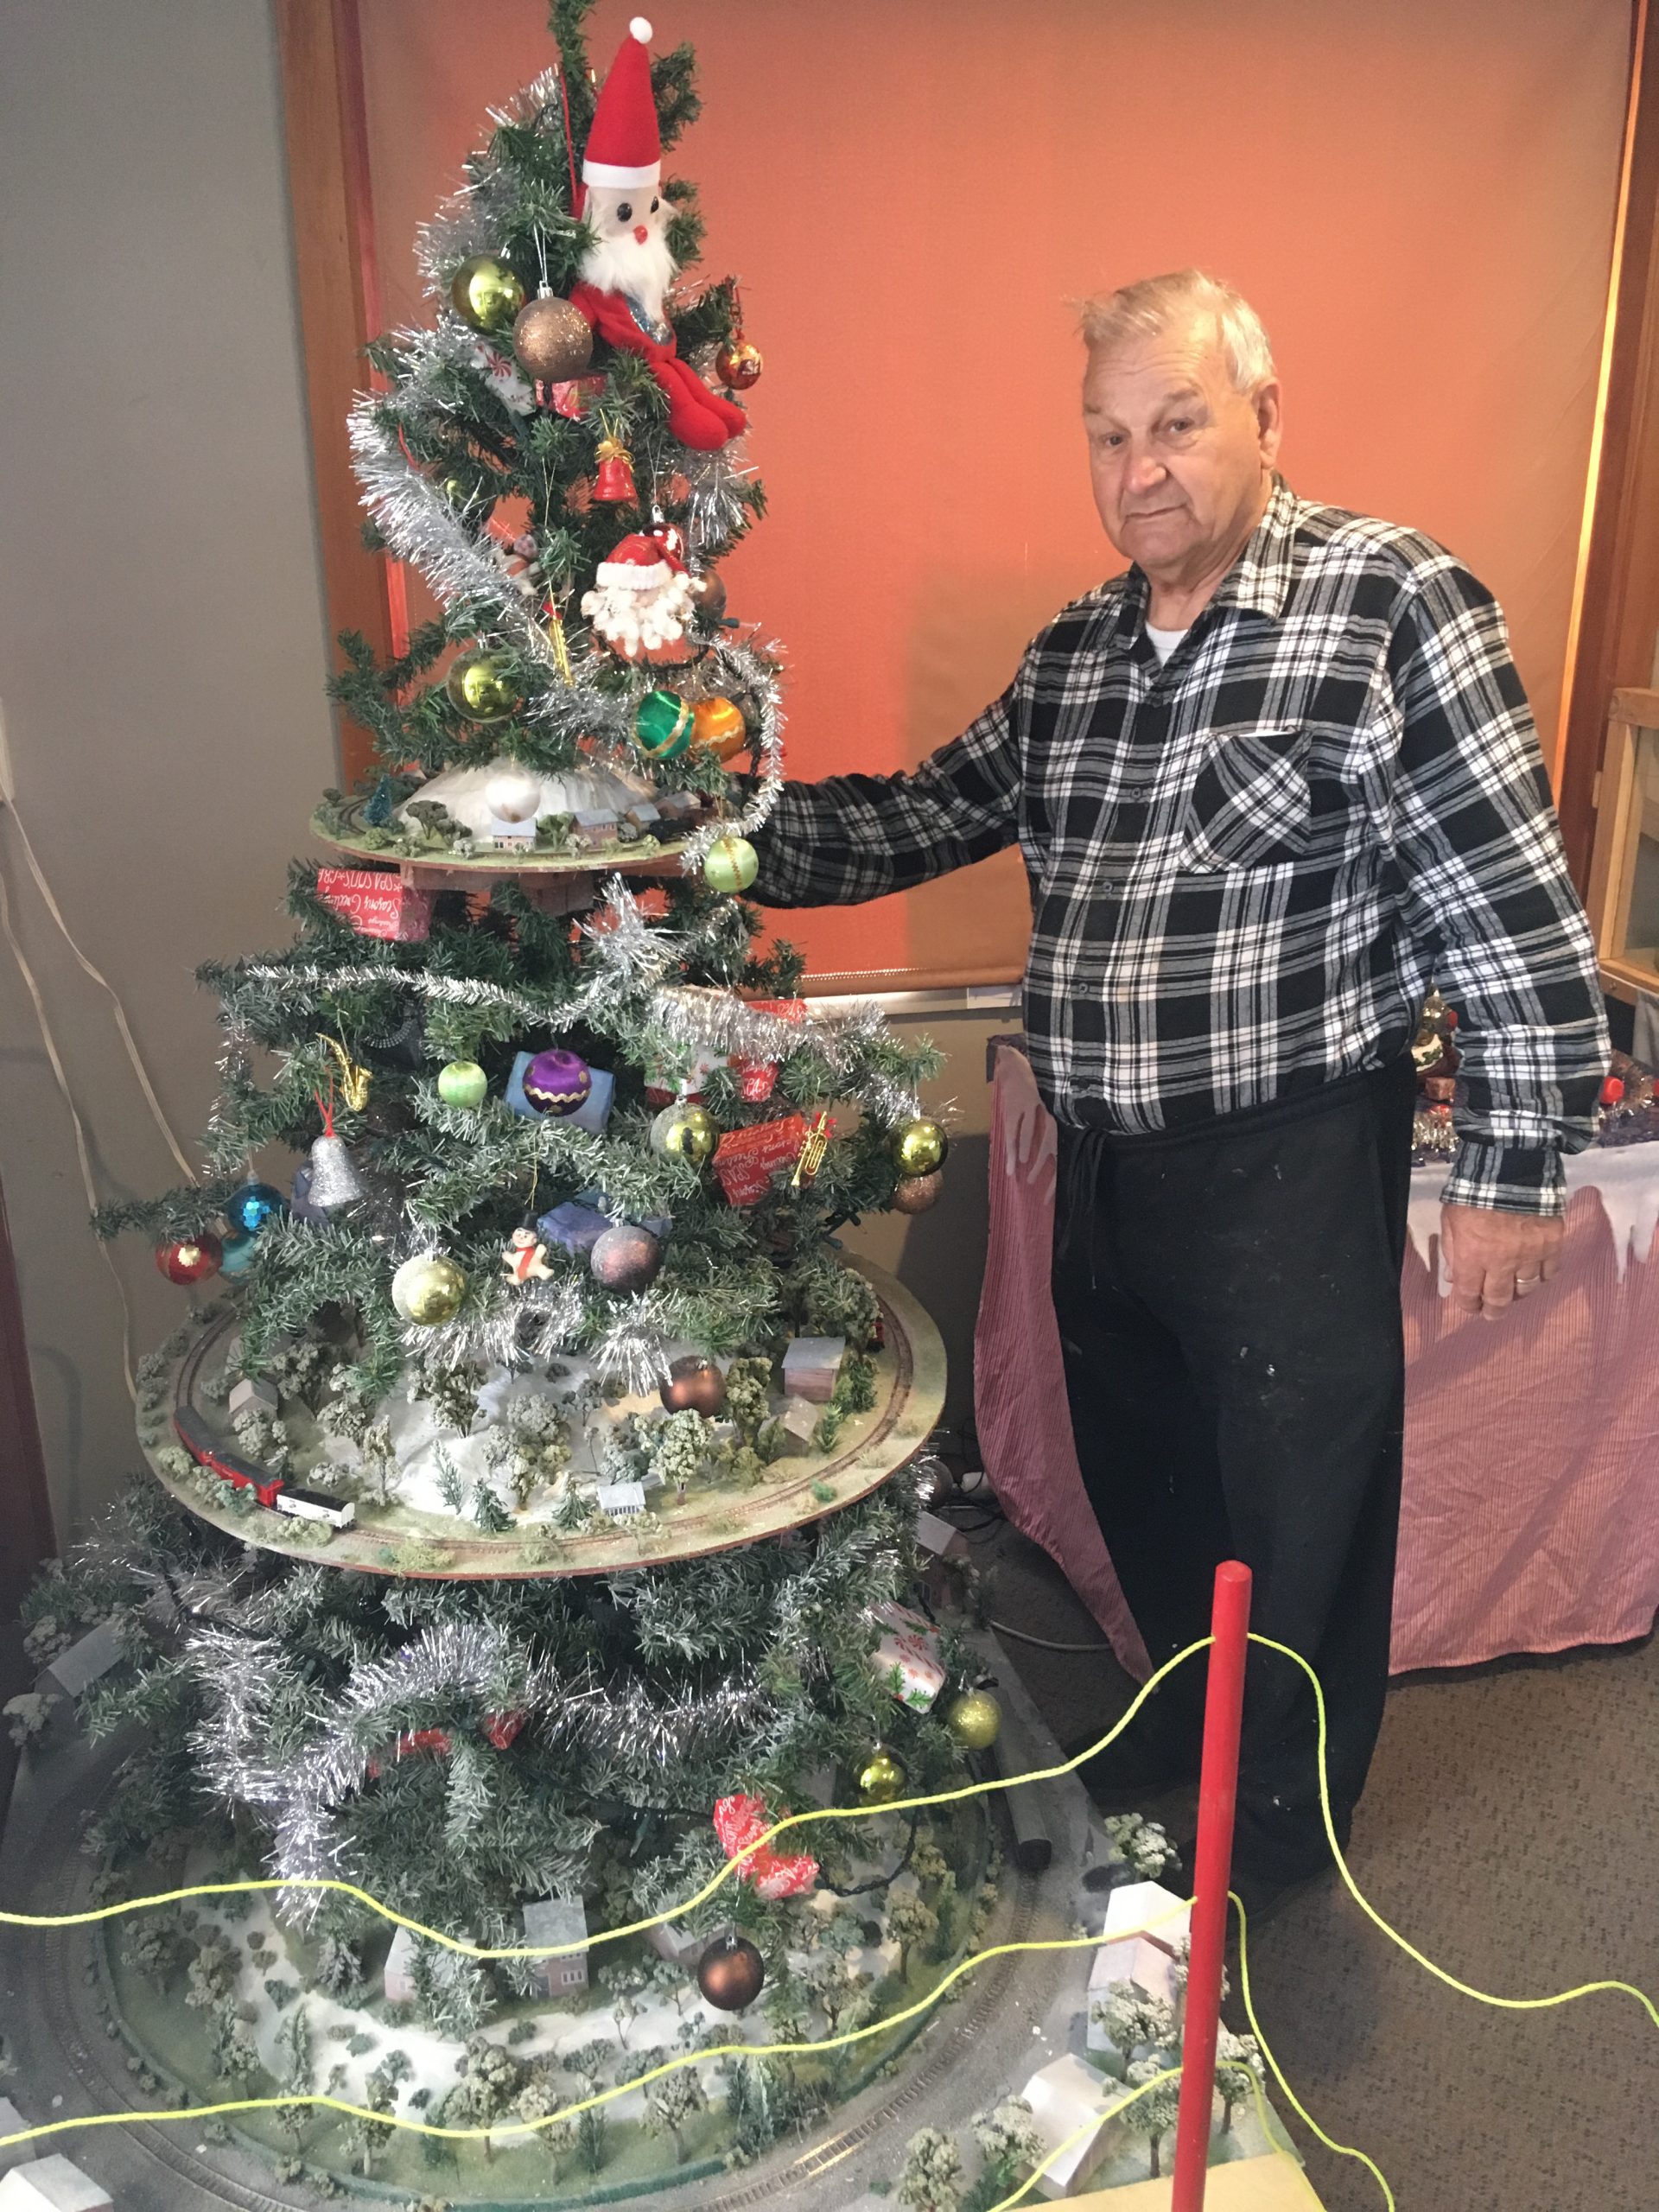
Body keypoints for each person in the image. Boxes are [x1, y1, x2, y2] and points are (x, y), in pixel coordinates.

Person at [748, 268, 1610, 1910]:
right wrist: (711, 827)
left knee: (1296, 1523)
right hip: (1106, 1169)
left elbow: (1510, 909)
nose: (1141, 469)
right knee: (1151, 1488)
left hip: (1284, 1165)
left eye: (1179, 424)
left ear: (1268, 422)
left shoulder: (1394, 606)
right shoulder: (1077, 649)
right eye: (1108, 435)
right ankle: (1178, 1745)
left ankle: (1280, 1837)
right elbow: (918, 814)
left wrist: (1511, 1168)